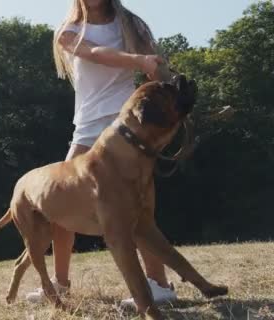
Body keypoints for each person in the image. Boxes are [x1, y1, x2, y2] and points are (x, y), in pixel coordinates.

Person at [25, 0, 177, 307]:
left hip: (125, 123)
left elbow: (156, 73)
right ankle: (61, 283)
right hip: (87, 127)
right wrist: (139, 60)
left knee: (138, 207)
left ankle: (159, 285)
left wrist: (171, 87)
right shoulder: (68, 32)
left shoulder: (131, 24)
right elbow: (95, 53)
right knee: (59, 203)